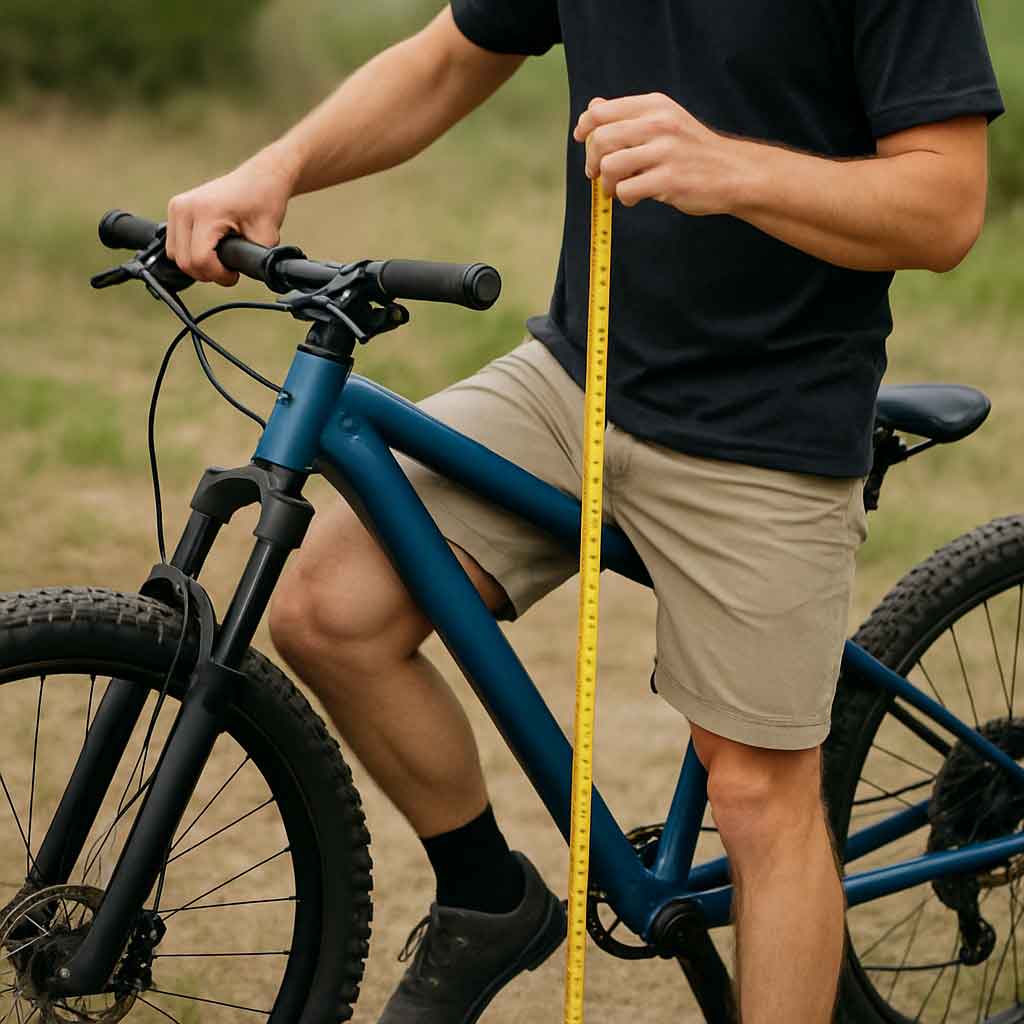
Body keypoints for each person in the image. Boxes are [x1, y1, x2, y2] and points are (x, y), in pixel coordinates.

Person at [166, 2, 1003, 1020]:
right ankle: (489, 899)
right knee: (329, 610)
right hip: (575, 379)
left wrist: (729, 168)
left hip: (769, 418)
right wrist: (277, 167)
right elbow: (448, 59)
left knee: (755, 792)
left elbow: (945, 207)